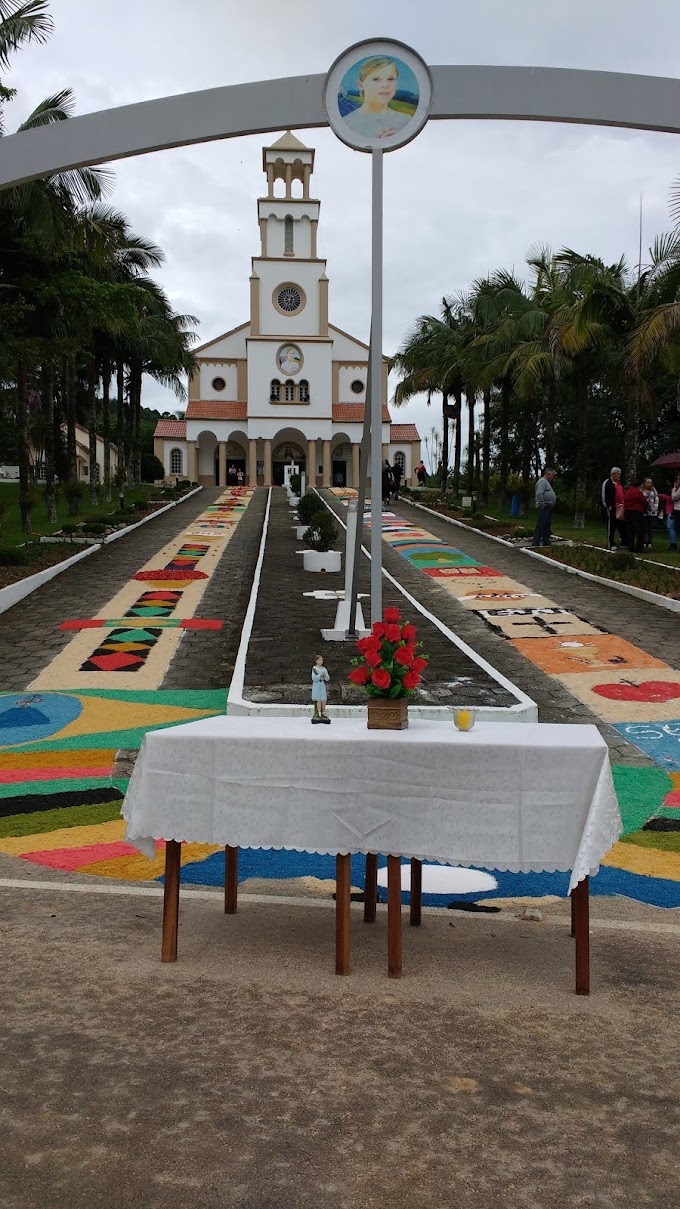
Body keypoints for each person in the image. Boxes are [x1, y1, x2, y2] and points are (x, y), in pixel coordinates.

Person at [342, 58, 413, 142]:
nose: (385, 85)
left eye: (391, 79)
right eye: (376, 79)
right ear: (361, 85)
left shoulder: (406, 121)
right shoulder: (346, 124)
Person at [602, 467, 627, 550]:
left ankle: (624, 542)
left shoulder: (619, 484)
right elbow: (604, 495)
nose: (620, 475)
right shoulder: (607, 483)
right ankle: (611, 543)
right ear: (614, 474)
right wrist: (607, 505)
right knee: (612, 525)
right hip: (612, 507)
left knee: (621, 525)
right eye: (618, 473)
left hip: (620, 507)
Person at [532, 468, 556, 548]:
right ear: (548, 474)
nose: (553, 478)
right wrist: (542, 504)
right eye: (552, 475)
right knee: (541, 524)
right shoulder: (542, 482)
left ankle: (546, 541)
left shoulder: (547, 483)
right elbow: (539, 493)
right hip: (544, 506)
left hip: (548, 507)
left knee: (547, 524)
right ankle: (535, 542)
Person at [623, 481, 646, 552]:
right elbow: (644, 502)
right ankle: (639, 547)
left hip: (627, 512)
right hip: (637, 512)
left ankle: (631, 546)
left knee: (630, 529)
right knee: (639, 530)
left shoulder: (627, 492)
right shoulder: (638, 492)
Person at [640, 477, 659, 549]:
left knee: (650, 527)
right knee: (643, 527)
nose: (649, 484)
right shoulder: (641, 491)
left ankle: (650, 541)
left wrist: (655, 507)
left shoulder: (653, 490)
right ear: (644, 483)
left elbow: (656, 499)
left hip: (651, 511)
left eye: (650, 483)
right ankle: (644, 541)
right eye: (647, 482)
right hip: (644, 511)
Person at [311, 655, 330, 724]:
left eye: (321, 660)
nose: (320, 661)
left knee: (323, 698)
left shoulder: (324, 669)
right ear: (316, 661)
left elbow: (328, 678)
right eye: (319, 660)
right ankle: (319, 712)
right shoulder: (314, 669)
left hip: (322, 685)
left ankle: (323, 711)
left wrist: (325, 676)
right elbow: (314, 678)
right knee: (318, 699)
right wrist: (320, 676)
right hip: (317, 685)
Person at [671, 472, 680, 552]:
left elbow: (674, 497)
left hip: (678, 510)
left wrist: (674, 488)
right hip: (677, 509)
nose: (678, 481)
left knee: (677, 527)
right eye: (677, 479)